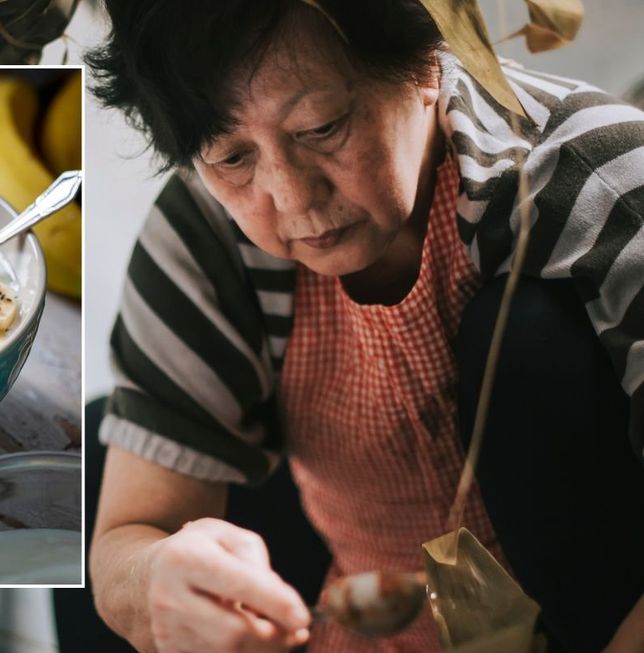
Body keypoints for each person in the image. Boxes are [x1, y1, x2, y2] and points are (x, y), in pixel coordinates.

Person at [85, 1, 644, 651]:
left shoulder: (596, 181)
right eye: (230, 156)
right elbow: (128, 539)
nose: (294, 199)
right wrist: (152, 580)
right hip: (368, 617)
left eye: (322, 127)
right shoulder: (206, 233)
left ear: (425, 64)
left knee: (527, 333)